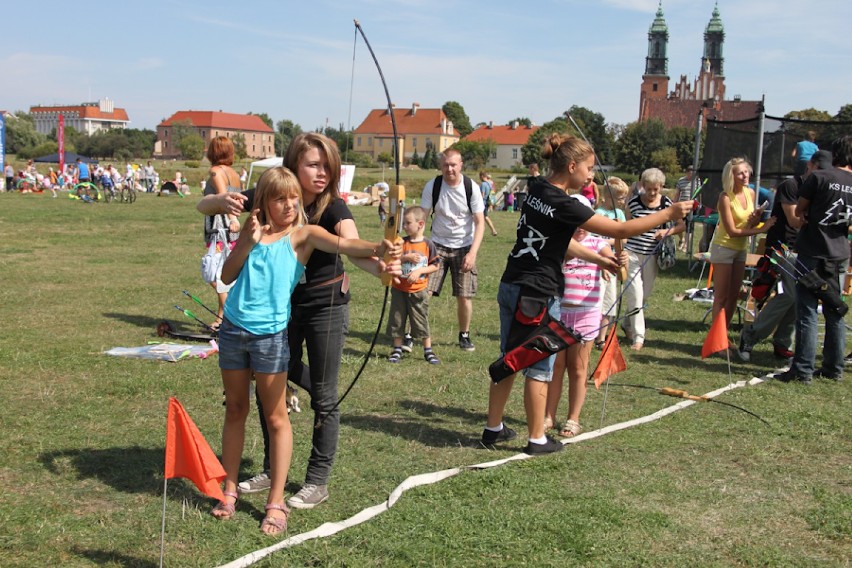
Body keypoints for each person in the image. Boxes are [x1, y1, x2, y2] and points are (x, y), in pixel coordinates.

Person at [197, 132, 400, 508]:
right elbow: (204, 207)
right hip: (278, 312)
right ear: (293, 165)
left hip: (325, 306)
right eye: (313, 165)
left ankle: (316, 480)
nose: (322, 173)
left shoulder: (333, 208)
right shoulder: (273, 194)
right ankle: (273, 469)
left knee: (324, 395)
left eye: (328, 166)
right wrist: (220, 199)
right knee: (270, 387)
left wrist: (382, 263)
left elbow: (350, 247)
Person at [481, 133, 691, 455]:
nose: (591, 175)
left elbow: (556, 242)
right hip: (536, 293)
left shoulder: (537, 187)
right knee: (537, 365)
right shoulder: (564, 204)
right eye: (590, 168)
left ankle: (493, 428)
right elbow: (620, 230)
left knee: (509, 355)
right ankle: (537, 438)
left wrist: (597, 258)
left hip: (512, 284)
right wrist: (668, 214)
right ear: (572, 165)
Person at [738, 151, 831, 362]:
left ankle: (782, 343)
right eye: (819, 168)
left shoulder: (821, 189)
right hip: (782, 249)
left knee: (800, 298)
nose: (821, 174)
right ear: (810, 165)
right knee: (789, 295)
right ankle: (750, 336)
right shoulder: (791, 186)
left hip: (807, 250)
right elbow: (794, 220)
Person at [778, 136, 852, 384]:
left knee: (808, 310)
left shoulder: (820, 178)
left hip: (813, 251)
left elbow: (799, 211)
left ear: (836, 154)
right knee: (834, 310)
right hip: (840, 253)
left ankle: (803, 370)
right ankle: (833, 368)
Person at [544, 224, 613, 438]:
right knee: (556, 367)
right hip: (559, 312)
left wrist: (618, 262)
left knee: (578, 369)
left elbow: (612, 262)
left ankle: (573, 418)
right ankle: (548, 415)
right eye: (574, 224)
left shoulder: (597, 243)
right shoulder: (559, 241)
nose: (580, 228)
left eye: (584, 224)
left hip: (586, 315)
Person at [421, 148, 485, 352]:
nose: (449, 169)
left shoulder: (471, 187)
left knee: (464, 295)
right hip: (437, 245)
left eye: (453, 165)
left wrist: (472, 253)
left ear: (461, 165)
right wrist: (419, 246)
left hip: (463, 246)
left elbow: (480, 222)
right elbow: (422, 217)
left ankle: (464, 335)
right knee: (423, 292)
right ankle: (414, 332)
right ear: (441, 166)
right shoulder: (433, 186)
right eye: (446, 165)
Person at [622, 168, 686, 350]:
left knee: (644, 295)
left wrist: (667, 232)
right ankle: (639, 336)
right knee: (635, 293)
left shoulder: (667, 204)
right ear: (642, 186)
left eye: (655, 189)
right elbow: (625, 227)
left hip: (653, 255)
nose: (651, 193)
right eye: (648, 188)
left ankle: (627, 323)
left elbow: (681, 226)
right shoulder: (633, 203)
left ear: (661, 187)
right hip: (632, 253)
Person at [709, 158, 774, 330]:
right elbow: (731, 231)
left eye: (746, 171)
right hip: (723, 248)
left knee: (733, 296)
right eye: (740, 173)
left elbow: (747, 225)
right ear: (731, 176)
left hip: (740, 249)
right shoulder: (725, 198)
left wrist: (756, 220)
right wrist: (762, 228)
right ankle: (716, 339)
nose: (745, 175)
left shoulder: (750, 193)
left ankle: (724, 334)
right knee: (721, 297)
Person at [386, 206, 441, 364]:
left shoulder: (428, 244)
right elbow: (392, 261)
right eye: (403, 223)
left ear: (420, 223)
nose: (404, 226)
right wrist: (405, 258)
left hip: (418, 291)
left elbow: (435, 265)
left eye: (408, 223)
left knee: (421, 319)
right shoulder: (401, 243)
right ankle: (397, 349)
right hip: (399, 290)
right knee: (397, 319)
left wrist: (420, 271)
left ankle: (428, 351)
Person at [203, 136, 242, 329]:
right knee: (225, 272)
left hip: (220, 228)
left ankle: (227, 315)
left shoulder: (215, 172)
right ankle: (221, 318)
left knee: (213, 273)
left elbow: (224, 199)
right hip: (231, 229)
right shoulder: (234, 173)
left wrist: (232, 219)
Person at [593, 177, 629, 348]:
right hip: (599, 264)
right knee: (597, 300)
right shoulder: (598, 215)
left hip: (614, 263)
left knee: (609, 300)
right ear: (608, 198)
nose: (622, 201)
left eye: (623, 197)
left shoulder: (620, 215)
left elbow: (625, 238)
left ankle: (601, 337)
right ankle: (590, 333)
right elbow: (594, 240)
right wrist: (612, 241)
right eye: (619, 198)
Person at [675, 165, 696, 252]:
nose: (691, 175)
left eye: (692, 173)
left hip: (692, 207)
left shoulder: (697, 182)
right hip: (682, 206)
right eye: (689, 173)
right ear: (686, 173)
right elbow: (677, 194)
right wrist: (674, 204)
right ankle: (682, 239)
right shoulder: (681, 181)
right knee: (678, 224)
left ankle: (686, 245)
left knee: (689, 227)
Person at [478, 171, 498, 237]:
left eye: (480, 176)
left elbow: (482, 195)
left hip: (482, 203)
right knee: (484, 217)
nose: (479, 178)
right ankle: (492, 230)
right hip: (487, 202)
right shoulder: (489, 184)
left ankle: (493, 230)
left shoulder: (483, 184)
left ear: (482, 176)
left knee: (483, 217)